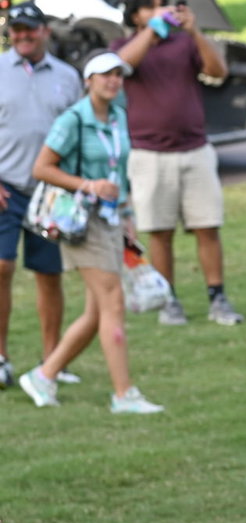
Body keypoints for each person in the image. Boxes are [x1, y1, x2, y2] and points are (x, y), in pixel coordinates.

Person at [17, 52, 163, 414]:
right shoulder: (73, 119)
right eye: (105, 75)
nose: (113, 81)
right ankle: (123, 394)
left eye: (118, 75)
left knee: (98, 312)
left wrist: (127, 216)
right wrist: (88, 185)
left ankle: (44, 375)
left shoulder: (118, 116)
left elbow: (118, 173)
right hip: (81, 223)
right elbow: (42, 168)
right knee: (113, 303)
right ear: (88, 80)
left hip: (111, 221)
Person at [112, 0, 243, 327]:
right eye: (152, 6)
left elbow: (218, 71)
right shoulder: (124, 45)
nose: (162, 10)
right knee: (160, 231)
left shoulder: (185, 42)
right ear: (136, 14)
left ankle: (218, 297)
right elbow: (121, 65)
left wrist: (195, 31)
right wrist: (150, 33)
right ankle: (169, 299)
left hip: (195, 149)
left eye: (166, 4)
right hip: (149, 154)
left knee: (207, 226)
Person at [0, 1, 80, 390]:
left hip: (51, 193)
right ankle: (0, 358)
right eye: (16, 30)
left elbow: (79, 131)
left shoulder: (67, 76)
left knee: (49, 275)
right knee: (1, 268)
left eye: (29, 29)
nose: (23, 36)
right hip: (6, 187)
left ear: (45, 31)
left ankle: (52, 361)